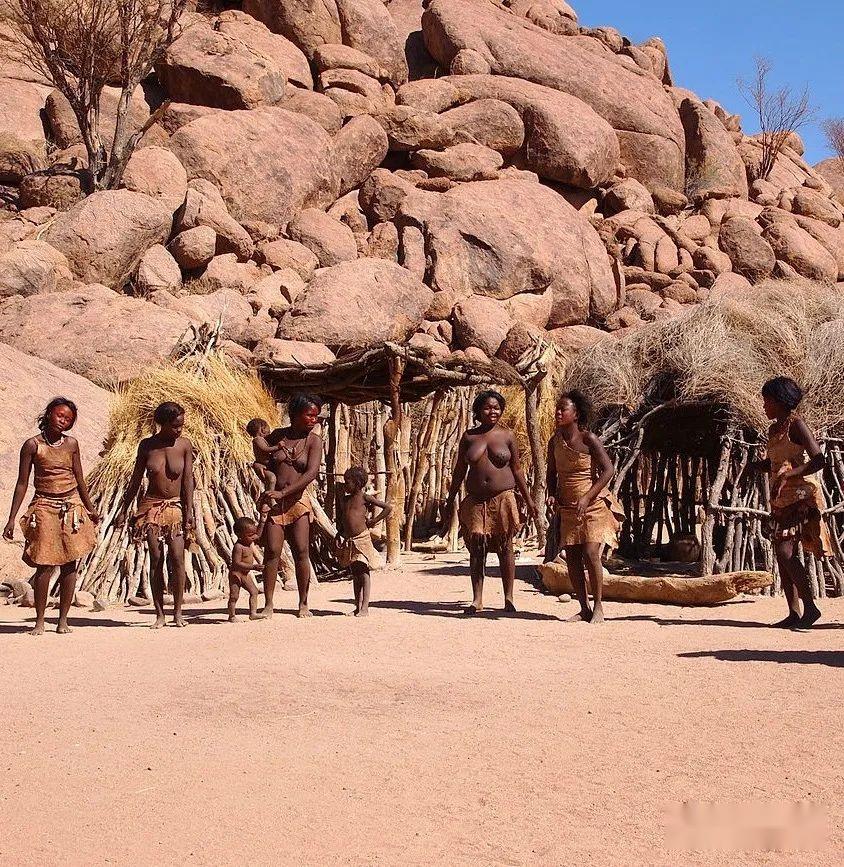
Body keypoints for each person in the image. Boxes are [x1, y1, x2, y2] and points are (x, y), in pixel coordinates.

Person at [3, 398, 99, 635]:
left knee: (69, 563)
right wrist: (12, 518)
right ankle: (40, 620)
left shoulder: (72, 444)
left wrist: (90, 508)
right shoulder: (32, 445)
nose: (63, 421)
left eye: (68, 419)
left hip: (71, 505)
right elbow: (22, 483)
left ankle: (63, 620)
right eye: (59, 415)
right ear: (48, 414)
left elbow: (79, 478)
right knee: (44, 564)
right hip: (44, 505)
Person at [442, 390, 537, 615]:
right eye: (487, 407)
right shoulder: (469, 437)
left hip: (503, 497)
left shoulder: (507, 436)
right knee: (477, 548)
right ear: (478, 411)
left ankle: (509, 597)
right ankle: (477, 599)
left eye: (496, 407)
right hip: (476, 500)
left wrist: (529, 499)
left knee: (505, 547)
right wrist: (450, 498)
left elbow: (517, 470)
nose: (492, 411)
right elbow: (459, 470)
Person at [758, 376, 830, 628]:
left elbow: (819, 460)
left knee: (785, 552)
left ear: (779, 401)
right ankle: (794, 612)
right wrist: (760, 466)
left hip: (800, 497)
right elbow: (776, 462)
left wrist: (789, 475)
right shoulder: (773, 430)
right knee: (781, 555)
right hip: (781, 499)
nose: (764, 406)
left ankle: (810, 608)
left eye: (767, 401)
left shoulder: (797, 425)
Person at [116, 401, 195, 629]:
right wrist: (124, 509)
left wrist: (189, 511)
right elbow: (135, 479)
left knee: (178, 558)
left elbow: (187, 481)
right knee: (156, 558)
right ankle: (159, 614)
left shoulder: (184, 445)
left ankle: (178, 613)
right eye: (175, 426)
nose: (179, 430)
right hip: (151, 507)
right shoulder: (147, 446)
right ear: (162, 423)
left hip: (176, 506)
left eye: (181, 425)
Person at [546, 391, 622, 624]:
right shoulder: (554, 442)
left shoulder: (589, 439)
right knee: (572, 558)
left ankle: (598, 605)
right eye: (557, 409)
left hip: (593, 505)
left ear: (576, 414)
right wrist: (552, 494)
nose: (558, 412)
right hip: (569, 507)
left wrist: (588, 497)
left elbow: (608, 470)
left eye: (564, 409)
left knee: (590, 553)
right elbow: (551, 473)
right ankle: (584, 608)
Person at [260, 392, 323, 618]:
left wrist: (284, 492)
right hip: (275, 503)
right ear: (295, 414)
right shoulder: (278, 436)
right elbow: (260, 459)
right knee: (272, 552)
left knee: (301, 551)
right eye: (309, 415)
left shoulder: (314, 441)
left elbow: (311, 473)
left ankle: (303, 603)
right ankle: (268, 604)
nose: (314, 420)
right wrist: (266, 477)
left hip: (298, 502)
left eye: (316, 416)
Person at [336, 466, 391, 617]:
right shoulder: (345, 500)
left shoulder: (365, 498)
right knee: (355, 573)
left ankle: (365, 607)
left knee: (364, 571)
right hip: (349, 540)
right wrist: (339, 533)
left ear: (358, 483)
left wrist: (374, 521)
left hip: (362, 539)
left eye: (348, 482)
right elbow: (343, 519)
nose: (345, 485)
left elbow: (387, 507)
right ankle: (357, 606)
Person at [228, 516, 264, 622]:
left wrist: (262, 521)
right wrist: (253, 567)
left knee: (254, 592)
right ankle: (232, 616)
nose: (253, 537)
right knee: (234, 596)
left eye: (253, 534)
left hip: (245, 574)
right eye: (250, 535)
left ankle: (253, 613)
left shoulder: (249, 542)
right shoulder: (239, 547)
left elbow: (258, 534)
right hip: (236, 575)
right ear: (240, 535)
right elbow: (237, 563)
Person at [246, 418, 277, 513]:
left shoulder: (263, 439)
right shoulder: (257, 439)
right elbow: (265, 449)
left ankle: (264, 497)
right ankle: (271, 498)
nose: (269, 430)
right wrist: (277, 447)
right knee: (272, 478)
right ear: (261, 429)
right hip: (263, 465)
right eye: (267, 427)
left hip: (267, 466)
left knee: (270, 483)